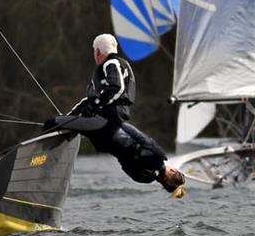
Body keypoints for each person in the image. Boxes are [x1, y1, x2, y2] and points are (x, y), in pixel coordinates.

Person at [44, 34, 185, 197]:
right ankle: (48, 167)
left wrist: (95, 107)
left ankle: (39, 164)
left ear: (97, 52)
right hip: (106, 137)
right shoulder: (144, 178)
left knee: (53, 122)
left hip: (105, 125)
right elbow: (125, 164)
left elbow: (116, 90)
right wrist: (77, 114)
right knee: (63, 125)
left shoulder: (112, 64)